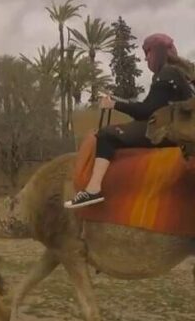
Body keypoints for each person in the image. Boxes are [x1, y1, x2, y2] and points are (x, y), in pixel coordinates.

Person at [66, 33, 194, 209]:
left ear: (157, 52)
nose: (145, 57)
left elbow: (146, 112)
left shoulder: (167, 73)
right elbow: (151, 108)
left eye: (147, 52)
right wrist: (122, 103)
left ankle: (93, 189)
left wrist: (114, 104)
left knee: (106, 135)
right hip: (177, 127)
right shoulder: (182, 74)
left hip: (168, 131)